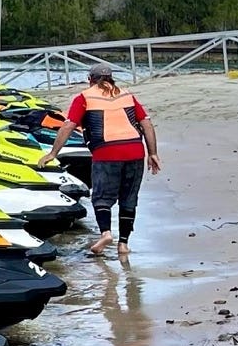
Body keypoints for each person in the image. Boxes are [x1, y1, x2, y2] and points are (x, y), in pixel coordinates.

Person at [40, 65, 160, 260]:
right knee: (129, 198)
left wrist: (53, 153)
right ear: (111, 78)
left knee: (101, 198)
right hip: (135, 151)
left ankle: (106, 234)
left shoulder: (84, 97)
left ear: (90, 79)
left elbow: (68, 126)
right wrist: (152, 153)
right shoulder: (127, 95)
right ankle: (123, 244)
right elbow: (146, 123)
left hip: (107, 152)